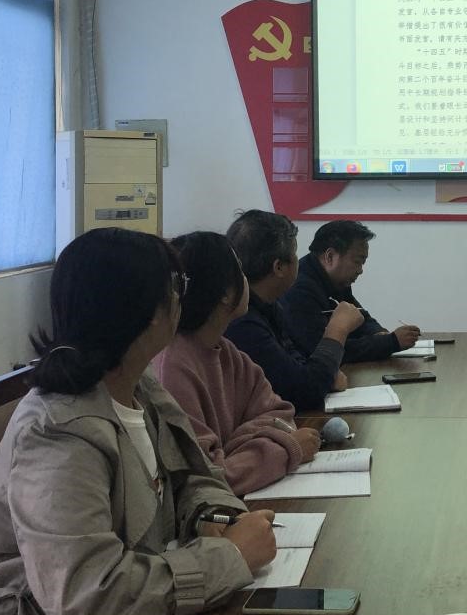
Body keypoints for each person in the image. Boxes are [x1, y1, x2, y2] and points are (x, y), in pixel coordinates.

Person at [0, 228, 275, 615]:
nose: (183, 296)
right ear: (146, 310)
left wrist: (211, 517)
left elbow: (187, 476)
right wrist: (229, 558)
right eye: (176, 284)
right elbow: (85, 601)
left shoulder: (138, 385)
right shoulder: (57, 432)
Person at [152, 231, 327, 496]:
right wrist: (286, 448)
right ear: (225, 292)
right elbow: (207, 478)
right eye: (241, 273)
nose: (247, 282)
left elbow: (280, 412)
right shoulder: (173, 365)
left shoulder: (226, 350)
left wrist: (235, 446)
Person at [224, 211, 364, 412]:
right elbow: (305, 392)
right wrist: (337, 330)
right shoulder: (243, 324)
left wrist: (324, 375)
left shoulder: (269, 306)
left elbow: (300, 368)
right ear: (279, 267)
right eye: (295, 254)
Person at [280, 219, 420, 362]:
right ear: (330, 256)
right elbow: (325, 351)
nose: (360, 270)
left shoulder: (335, 279)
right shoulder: (299, 290)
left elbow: (359, 315)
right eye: (357, 262)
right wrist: (391, 342)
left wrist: (378, 333)